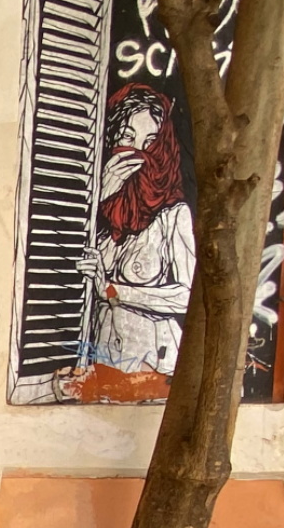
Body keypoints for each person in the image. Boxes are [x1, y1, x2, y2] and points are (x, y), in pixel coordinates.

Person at [74, 83, 196, 380]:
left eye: (150, 142)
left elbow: (186, 295)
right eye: (128, 137)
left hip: (154, 365)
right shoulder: (98, 213)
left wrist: (114, 291)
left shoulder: (173, 214)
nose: (139, 152)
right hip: (101, 361)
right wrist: (98, 200)